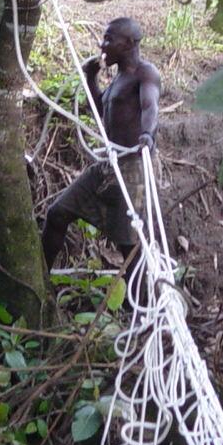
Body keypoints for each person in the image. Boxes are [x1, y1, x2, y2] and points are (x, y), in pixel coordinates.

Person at [41, 18, 161, 267]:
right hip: (108, 165)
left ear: (128, 43)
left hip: (133, 167)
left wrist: (148, 134)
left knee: (129, 246)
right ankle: (41, 282)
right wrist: (91, 77)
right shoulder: (118, 79)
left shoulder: (145, 73)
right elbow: (98, 110)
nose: (102, 45)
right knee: (57, 214)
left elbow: (150, 105)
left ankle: (141, 293)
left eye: (109, 39)